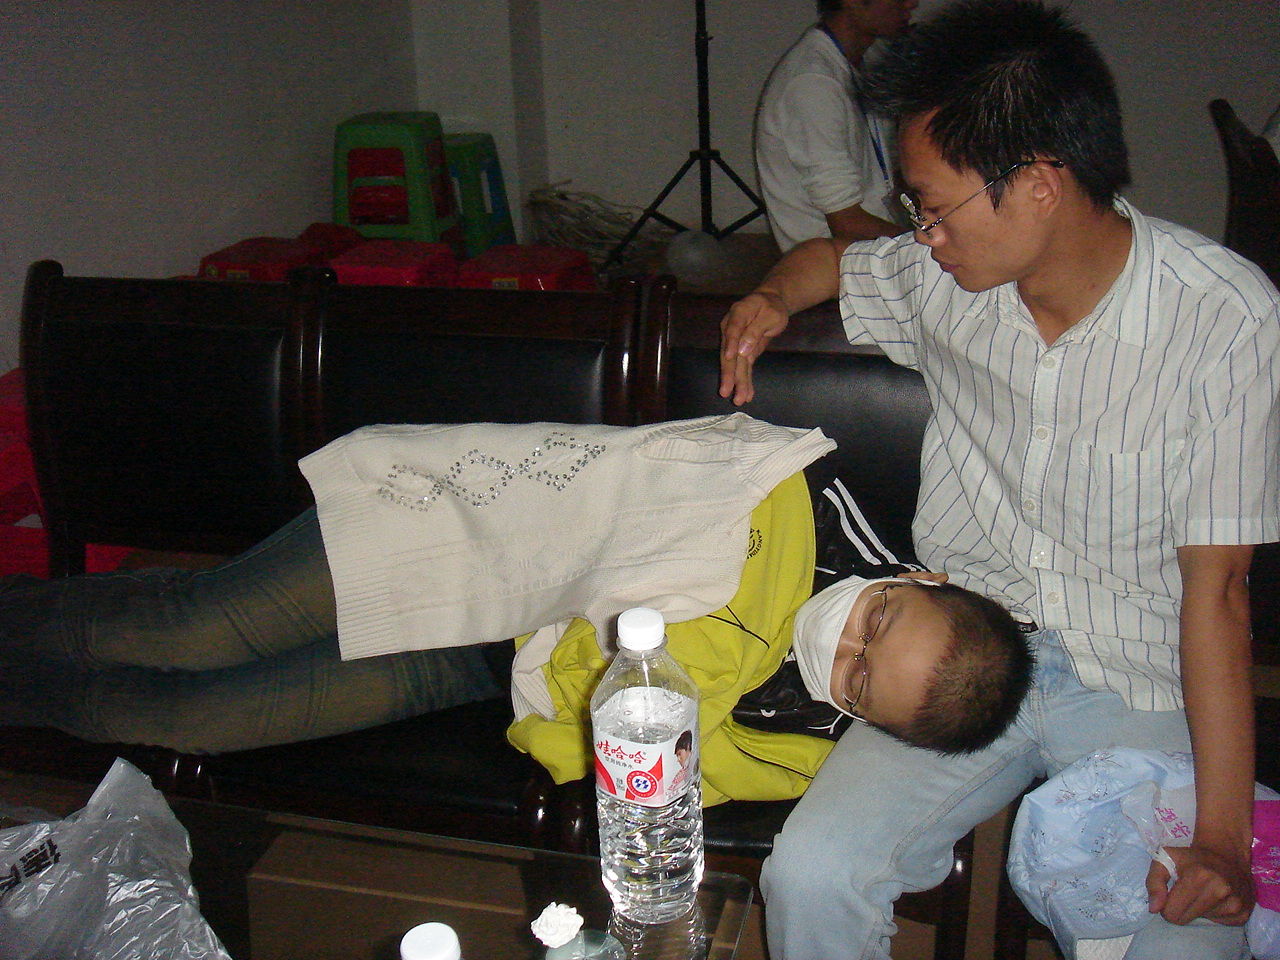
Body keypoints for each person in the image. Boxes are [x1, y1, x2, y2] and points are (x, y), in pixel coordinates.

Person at [719, 1, 1280, 957]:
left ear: (1039, 185)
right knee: (811, 872)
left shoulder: (1223, 318)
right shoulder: (942, 282)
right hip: (965, 655)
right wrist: (770, 296)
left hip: (1141, 676)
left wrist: (1222, 841)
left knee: (1189, 937)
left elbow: (1218, 591)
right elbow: (837, 260)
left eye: (933, 207)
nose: (923, 234)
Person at [754, 0, 917, 253]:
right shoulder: (813, 83)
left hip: (870, 249)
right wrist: (926, 242)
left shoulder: (859, 61)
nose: (912, 4)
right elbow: (847, 223)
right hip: (839, 263)